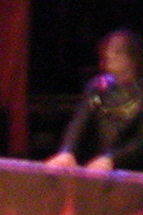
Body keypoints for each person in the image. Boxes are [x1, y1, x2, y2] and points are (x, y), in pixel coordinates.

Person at [46, 27, 143, 172]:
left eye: (117, 51)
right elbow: (79, 122)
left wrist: (112, 159)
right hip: (97, 168)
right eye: (108, 50)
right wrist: (67, 151)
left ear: (133, 58)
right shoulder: (98, 87)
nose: (109, 55)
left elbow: (140, 141)